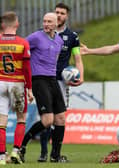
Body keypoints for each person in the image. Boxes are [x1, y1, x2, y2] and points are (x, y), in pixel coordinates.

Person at [37, 2, 84, 162]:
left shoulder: (72, 37)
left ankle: (55, 154)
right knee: (46, 118)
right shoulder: (41, 34)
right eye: (56, 12)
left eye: (62, 13)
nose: (59, 15)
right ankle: (43, 152)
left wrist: (81, 76)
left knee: (60, 119)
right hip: (43, 80)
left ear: (67, 16)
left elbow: (77, 58)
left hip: (61, 82)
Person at [19, 12, 67, 163]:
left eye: (49, 22)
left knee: (60, 118)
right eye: (44, 21)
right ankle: (22, 146)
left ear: (56, 24)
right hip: (38, 79)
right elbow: (21, 49)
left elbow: (55, 59)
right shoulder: (35, 37)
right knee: (47, 121)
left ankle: (55, 156)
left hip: (52, 79)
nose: (46, 24)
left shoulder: (59, 40)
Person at [0, 11, 33, 165]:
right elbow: (27, 68)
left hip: (1, 83)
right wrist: (30, 88)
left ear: (2, 25)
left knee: (1, 123)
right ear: (17, 24)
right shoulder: (22, 42)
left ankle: (1, 157)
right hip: (17, 85)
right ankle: (15, 151)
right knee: (21, 119)